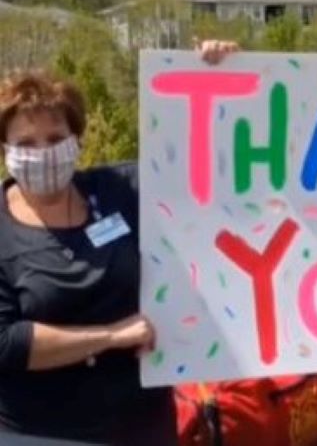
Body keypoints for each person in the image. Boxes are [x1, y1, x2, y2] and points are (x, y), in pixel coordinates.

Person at [0, 40, 237, 444]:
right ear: (6, 151)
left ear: (77, 140)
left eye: (56, 137)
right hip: (39, 432)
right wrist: (111, 336)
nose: (43, 153)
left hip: (142, 424)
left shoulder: (119, 191)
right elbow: (6, 343)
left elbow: (207, 161)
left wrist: (215, 73)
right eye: (25, 144)